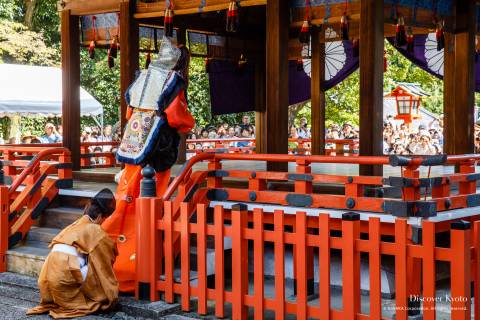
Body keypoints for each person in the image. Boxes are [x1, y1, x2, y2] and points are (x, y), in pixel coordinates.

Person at [102, 37, 194, 292]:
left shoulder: (143, 77)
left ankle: (108, 256)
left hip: (133, 143)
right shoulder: (172, 81)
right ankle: (132, 265)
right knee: (150, 197)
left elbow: (130, 112)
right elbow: (177, 116)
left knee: (126, 196)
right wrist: (189, 122)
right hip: (157, 147)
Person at [27, 189, 118, 319]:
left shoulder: (73, 225)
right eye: (104, 219)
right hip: (65, 281)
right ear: (99, 217)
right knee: (99, 269)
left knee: (87, 259)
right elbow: (106, 259)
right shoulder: (95, 229)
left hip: (47, 281)